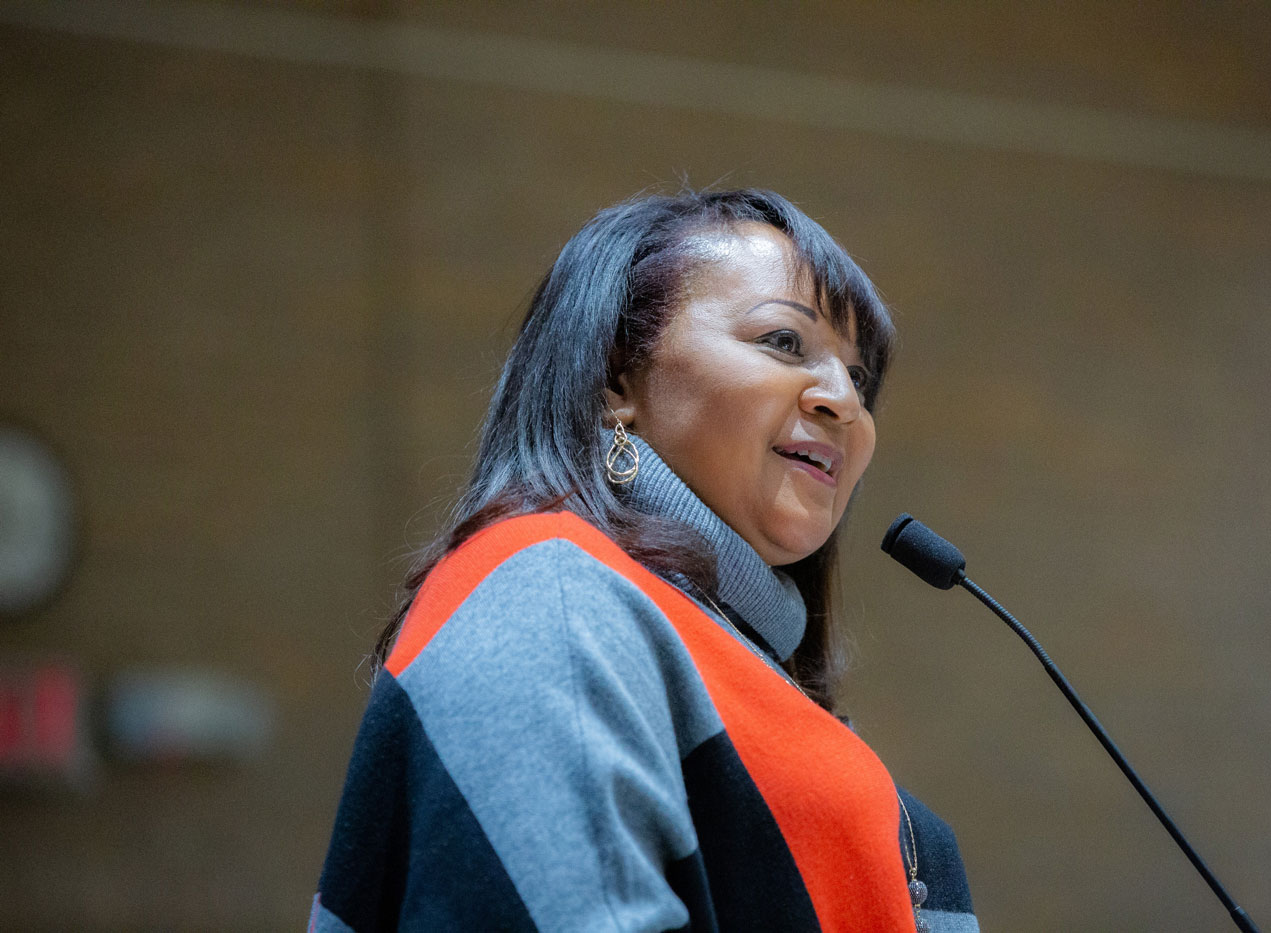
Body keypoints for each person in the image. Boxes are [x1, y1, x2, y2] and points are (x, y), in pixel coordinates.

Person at [310, 189, 977, 932]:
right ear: (616, 379)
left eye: (860, 378)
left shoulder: (716, 649)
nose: (843, 402)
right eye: (785, 342)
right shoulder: (545, 594)